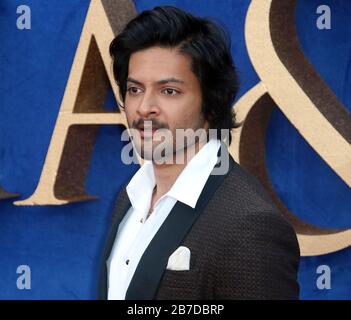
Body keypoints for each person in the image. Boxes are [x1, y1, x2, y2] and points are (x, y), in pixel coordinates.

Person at [98, 5, 300, 300]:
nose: (144, 107)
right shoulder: (130, 197)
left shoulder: (249, 225)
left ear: (212, 103)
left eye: (169, 91)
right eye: (135, 89)